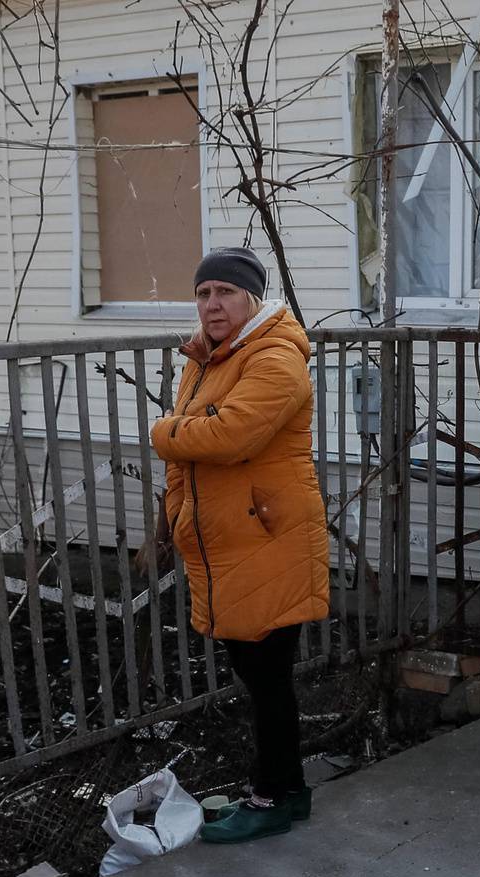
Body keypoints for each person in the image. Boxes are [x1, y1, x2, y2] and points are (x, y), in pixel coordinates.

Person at [148, 246, 329, 844]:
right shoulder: (210, 360)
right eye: (203, 294)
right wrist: (179, 510)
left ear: (252, 298)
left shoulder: (275, 357)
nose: (211, 304)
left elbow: (231, 436)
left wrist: (162, 434)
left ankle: (272, 796)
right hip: (237, 539)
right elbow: (206, 443)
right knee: (259, 673)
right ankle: (286, 789)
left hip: (267, 537)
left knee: (266, 673)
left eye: (224, 292)